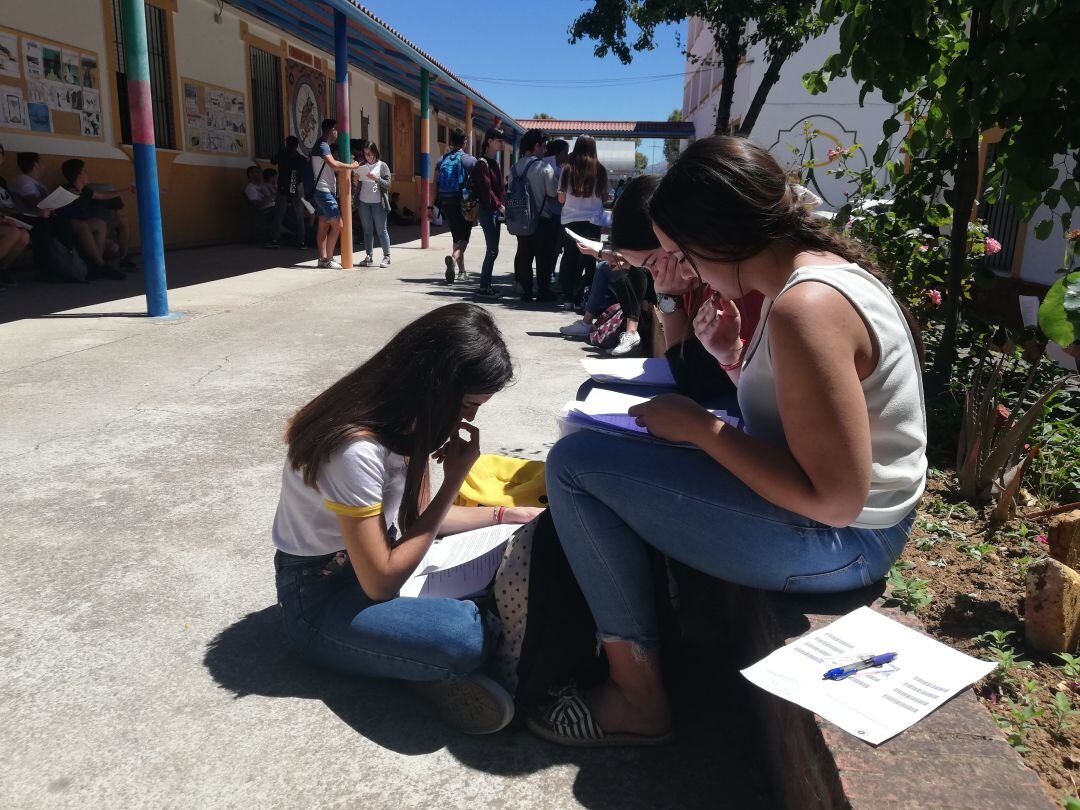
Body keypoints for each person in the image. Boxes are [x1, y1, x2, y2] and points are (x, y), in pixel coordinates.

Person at [532, 135, 927, 747]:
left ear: (713, 240)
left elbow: (838, 501)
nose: (681, 269)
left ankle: (638, 695)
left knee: (574, 466)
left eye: (677, 253)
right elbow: (806, 422)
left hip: (845, 541)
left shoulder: (808, 308)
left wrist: (702, 430)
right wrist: (735, 363)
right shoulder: (801, 282)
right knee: (598, 457)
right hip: (844, 527)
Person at [272, 302, 542, 734]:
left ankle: (416, 662)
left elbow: (416, 521)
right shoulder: (355, 450)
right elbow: (379, 584)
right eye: (468, 404)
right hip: (323, 597)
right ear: (435, 386)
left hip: (382, 564)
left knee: (515, 551)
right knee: (463, 639)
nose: (470, 418)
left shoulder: (406, 422)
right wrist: (455, 479)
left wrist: (507, 514)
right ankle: (424, 667)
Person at [560, 175, 663, 356]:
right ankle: (589, 323)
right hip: (650, 286)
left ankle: (631, 331)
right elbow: (635, 257)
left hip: (656, 289)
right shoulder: (645, 235)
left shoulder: (659, 234)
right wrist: (601, 254)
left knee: (634, 271)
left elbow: (639, 260)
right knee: (610, 269)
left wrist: (603, 254)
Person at [55, 159, 132, 280]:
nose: (87, 174)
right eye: (84, 171)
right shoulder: (65, 190)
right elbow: (56, 209)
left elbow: (104, 196)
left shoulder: (86, 191)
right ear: (79, 175)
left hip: (83, 222)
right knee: (84, 226)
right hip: (66, 224)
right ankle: (100, 265)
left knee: (100, 223)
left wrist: (127, 190)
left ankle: (98, 264)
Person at [557, 135, 608, 308]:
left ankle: (568, 299)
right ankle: (586, 299)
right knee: (590, 261)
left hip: (570, 220)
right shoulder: (600, 170)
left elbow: (561, 198)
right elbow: (606, 196)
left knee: (570, 259)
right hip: (593, 221)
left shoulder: (567, 169)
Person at [509, 129, 559, 302]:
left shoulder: (515, 167)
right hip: (541, 219)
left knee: (524, 255)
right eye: (543, 146)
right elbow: (553, 192)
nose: (545, 150)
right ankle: (543, 291)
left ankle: (527, 291)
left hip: (521, 219)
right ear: (536, 146)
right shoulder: (544, 167)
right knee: (543, 258)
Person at [311, 118, 360, 270]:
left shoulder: (320, 145)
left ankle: (322, 259)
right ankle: (329, 259)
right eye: (337, 130)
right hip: (324, 191)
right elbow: (333, 165)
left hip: (320, 191)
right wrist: (351, 166)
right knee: (338, 226)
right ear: (332, 129)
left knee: (323, 227)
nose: (338, 133)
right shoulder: (323, 146)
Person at [434, 127, 477, 284]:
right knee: (464, 239)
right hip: (464, 203)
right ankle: (453, 259)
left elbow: (434, 184)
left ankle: (461, 271)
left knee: (456, 237)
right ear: (464, 142)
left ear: (450, 142)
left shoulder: (441, 160)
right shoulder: (470, 161)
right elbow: (478, 184)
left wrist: (432, 205)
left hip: (446, 201)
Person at [470, 127, 507, 297]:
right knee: (492, 249)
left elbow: (498, 189)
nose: (502, 143)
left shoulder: (494, 163)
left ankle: (486, 285)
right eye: (499, 140)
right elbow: (486, 190)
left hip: (495, 212)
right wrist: (500, 205)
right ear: (490, 141)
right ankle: (484, 287)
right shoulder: (481, 164)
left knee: (493, 250)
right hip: (487, 211)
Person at [355, 142, 392, 268]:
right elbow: (358, 185)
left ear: (375, 153)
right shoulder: (362, 166)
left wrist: (376, 178)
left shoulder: (382, 166)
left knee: (381, 230)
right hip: (364, 202)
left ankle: (386, 256)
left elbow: (388, 184)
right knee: (367, 231)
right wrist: (356, 179)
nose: (367, 157)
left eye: (370, 154)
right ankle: (369, 256)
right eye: (365, 154)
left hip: (378, 203)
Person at [267, 135, 308, 249]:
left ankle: (276, 239)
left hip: (288, 185)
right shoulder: (297, 157)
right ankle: (301, 241)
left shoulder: (289, 156)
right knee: (294, 215)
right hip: (291, 185)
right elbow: (273, 161)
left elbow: (273, 161)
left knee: (282, 214)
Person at [0, 144, 31, 287]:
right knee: (12, 232)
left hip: (4, 219)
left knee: (24, 235)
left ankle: (3, 269)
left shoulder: (2, 181)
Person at [543, 139, 570, 288]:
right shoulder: (551, 167)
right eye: (565, 152)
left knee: (555, 247)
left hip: (554, 213)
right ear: (558, 153)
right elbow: (555, 192)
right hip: (555, 213)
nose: (567, 155)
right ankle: (549, 274)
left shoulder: (558, 166)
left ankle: (550, 273)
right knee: (554, 247)